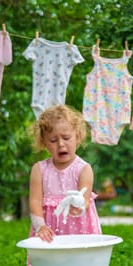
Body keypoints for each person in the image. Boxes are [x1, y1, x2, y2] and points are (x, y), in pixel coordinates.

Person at [28, 105, 102, 247]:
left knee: (80, 261)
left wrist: (79, 204)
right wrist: (40, 227)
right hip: (49, 230)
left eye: (66, 138)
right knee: (51, 263)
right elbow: (35, 202)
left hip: (80, 229)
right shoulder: (39, 170)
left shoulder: (84, 169)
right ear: (44, 143)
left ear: (77, 138)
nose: (61, 144)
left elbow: (85, 200)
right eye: (53, 140)